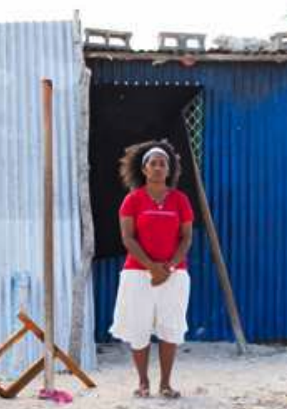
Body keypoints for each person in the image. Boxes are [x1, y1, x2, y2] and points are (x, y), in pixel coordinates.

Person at [109, 140, 194, 399]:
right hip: (137, 274)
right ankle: (143, 382)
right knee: (139, 327)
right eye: (153, 163)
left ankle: (166, 384)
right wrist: (151, 267)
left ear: (169, 170)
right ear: (144, 169)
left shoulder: (180, 200)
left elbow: (186, 238)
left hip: (174, 274)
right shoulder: (132, 200)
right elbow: (128, 238)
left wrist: (167, 267)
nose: (158, 168)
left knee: (170, 327)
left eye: (162, 164)